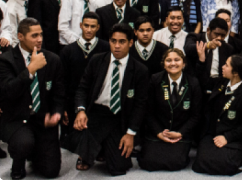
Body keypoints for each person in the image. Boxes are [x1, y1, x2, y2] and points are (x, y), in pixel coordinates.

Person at [67, 23, 149, 175]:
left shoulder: (140, 70)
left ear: (131, 43)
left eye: (122, 41)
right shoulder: (97, 60)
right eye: (113, 41)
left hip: (119, 117)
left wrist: (130, 134)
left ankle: (100, 147)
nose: (117, 46)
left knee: (118, 168)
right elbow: (82, 89)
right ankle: (88, 151)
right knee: (76, 132)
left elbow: (140, 105)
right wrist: (80, 110)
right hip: (96, 113)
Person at [0, 18, 65, 180]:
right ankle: (19, 162)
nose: (40, 39)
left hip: (42, 118)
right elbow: (9, 92)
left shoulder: (52, 59)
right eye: (34, 35)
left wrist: (56, 113)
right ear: (20, 36)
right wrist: (30, 70)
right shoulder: (5, 60)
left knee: (51, 171)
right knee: (23, 143)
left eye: (41, 35)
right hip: (16, 118)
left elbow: (59, 93)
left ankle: (35, 153)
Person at [192, 55, 242, 176]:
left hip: (234, 136)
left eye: (226, 65)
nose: (222, 67)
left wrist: (227, 137)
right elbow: (203, 80)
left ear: (236, 72)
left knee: (225, 165)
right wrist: (201, 61)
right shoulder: (221, 82)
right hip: (213, 132)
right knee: (200, 163)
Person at [139, 48, 202, 171]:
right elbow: (148, 112)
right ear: (163, 64)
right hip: (159, 131)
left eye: (177, 60)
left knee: (176, 163)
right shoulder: (155, 80)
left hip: (181, 132)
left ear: (184, 64)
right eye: (169, 60)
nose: (173, 63)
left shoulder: (193, 83)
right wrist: (159, 132)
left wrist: (180, 132)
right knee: (148, 162)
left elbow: (196, 115)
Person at [60, 12, 110, 132]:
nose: (89, 29)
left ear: (98, 27)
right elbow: (61, 81)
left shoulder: (106, 48)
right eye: (86, 25)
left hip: (97, 105)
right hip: (72, 104)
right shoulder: (68, 50)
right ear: (80, 25)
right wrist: (63, 107)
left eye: (93, 27)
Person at [184, 18, 234, 95]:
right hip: (196, 84)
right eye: (216, 34)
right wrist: (207, 46)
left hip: (218, 86)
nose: (219, 38)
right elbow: (188, 48)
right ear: (208, 30)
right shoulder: (195, 37)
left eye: (223, 35)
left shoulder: (228, 48)